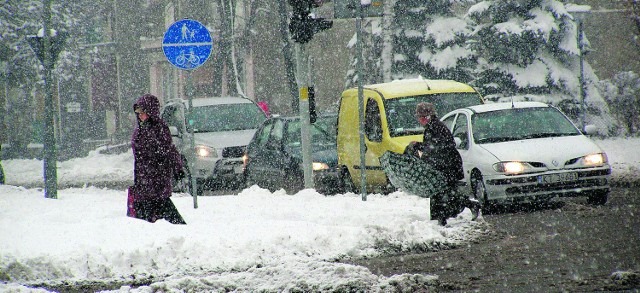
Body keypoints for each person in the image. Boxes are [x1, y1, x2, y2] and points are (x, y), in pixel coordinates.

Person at [410, 102, 478, 225]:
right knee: (443, 192)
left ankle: (441, 218)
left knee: (442, 193)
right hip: (443, 165)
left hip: (447, 165)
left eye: (424, 117)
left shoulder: (435, 127)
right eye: (420, 117)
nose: (421, 120)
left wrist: (419, 146)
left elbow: (438, 147)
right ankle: (441, 218)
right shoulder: (432, 127)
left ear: (430, 116)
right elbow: (434, 147)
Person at [131, 94, 186, 224]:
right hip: (143, 179)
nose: (139, 115)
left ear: (150, 112)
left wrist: (177, 169)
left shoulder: (159, 128)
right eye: (137, 112)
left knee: (161, 208)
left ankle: (180, 233)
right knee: (146, 215)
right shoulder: (140, 130)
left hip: (157, 178)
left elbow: (170, 150)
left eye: (142, 112)